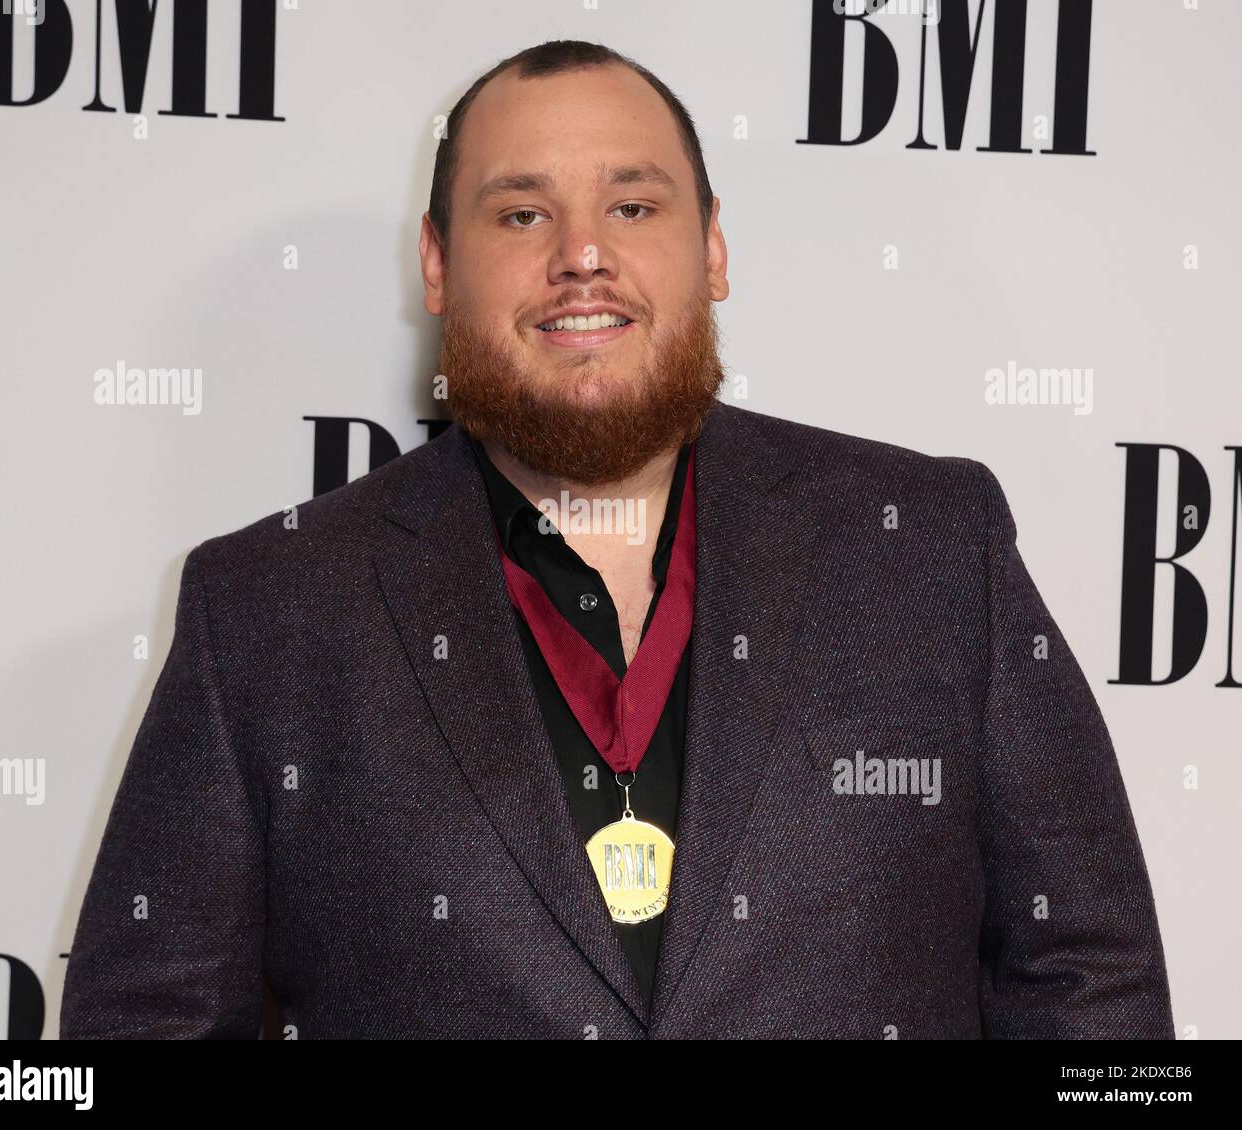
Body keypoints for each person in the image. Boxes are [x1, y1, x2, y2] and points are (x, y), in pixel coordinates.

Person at [61, 39, 1174, 1039]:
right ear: (438, 265)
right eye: (521, 213)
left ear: (715, 248)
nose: (582, 254)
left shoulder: (930, 546)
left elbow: (1087, 975)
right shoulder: (264, 606)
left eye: (634, 207)